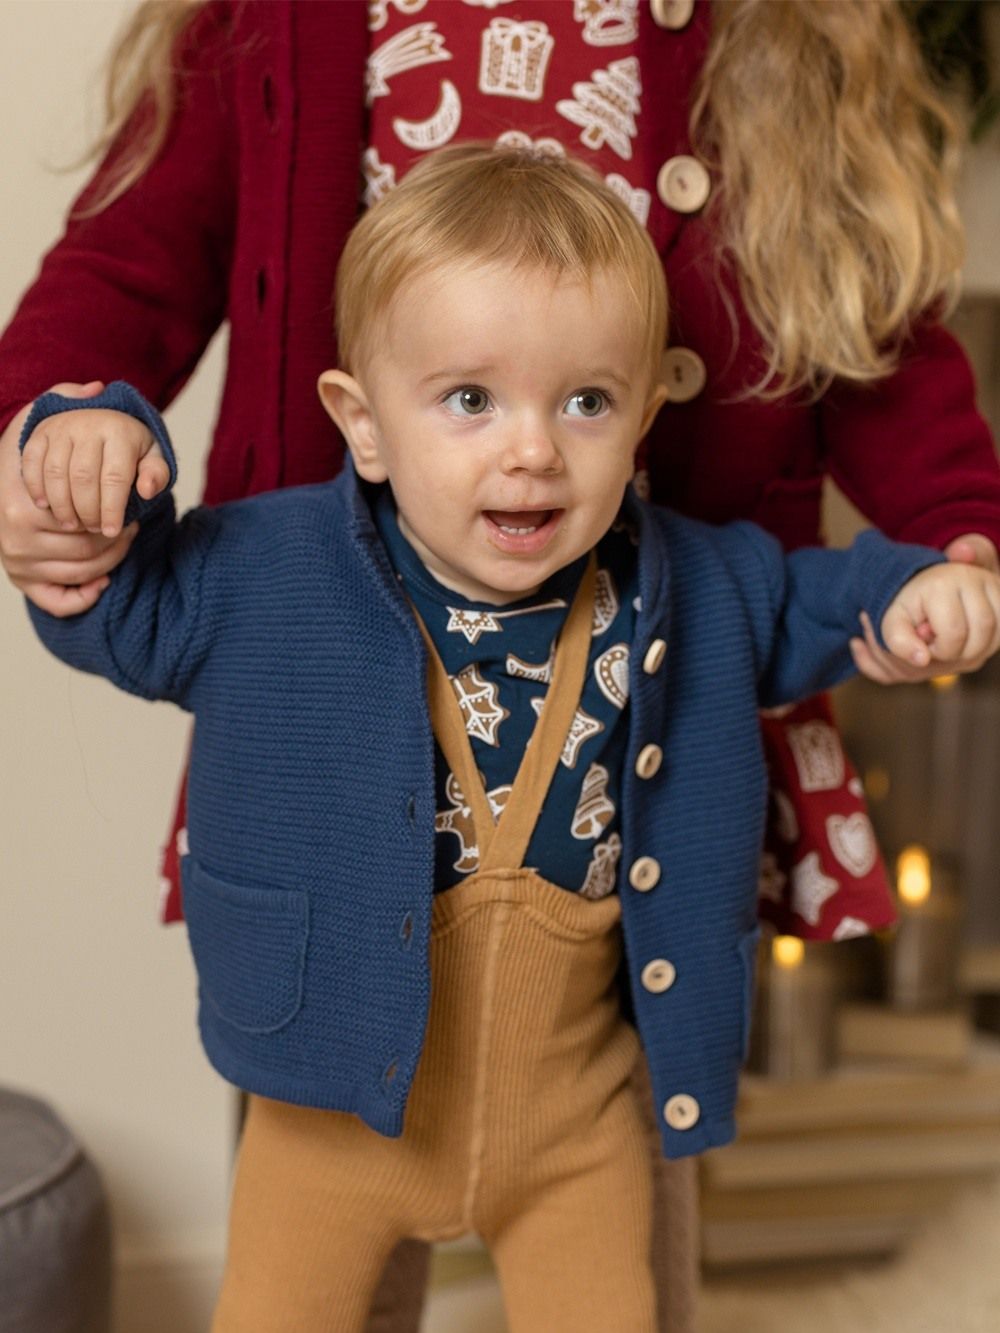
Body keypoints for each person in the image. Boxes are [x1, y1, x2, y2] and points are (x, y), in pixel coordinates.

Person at [4, 3, 1000, 1328]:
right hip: (333, 895)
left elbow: (869, 319)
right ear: (360, 420)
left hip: (620, 904)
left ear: (638, 415)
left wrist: (941, 552)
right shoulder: (263, 576)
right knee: (308, 1245)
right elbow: (126, 282)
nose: (529, 448)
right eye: (473, 401)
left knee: (633, 1245)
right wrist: (69, 453)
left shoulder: (696, 583)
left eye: (584, 404)